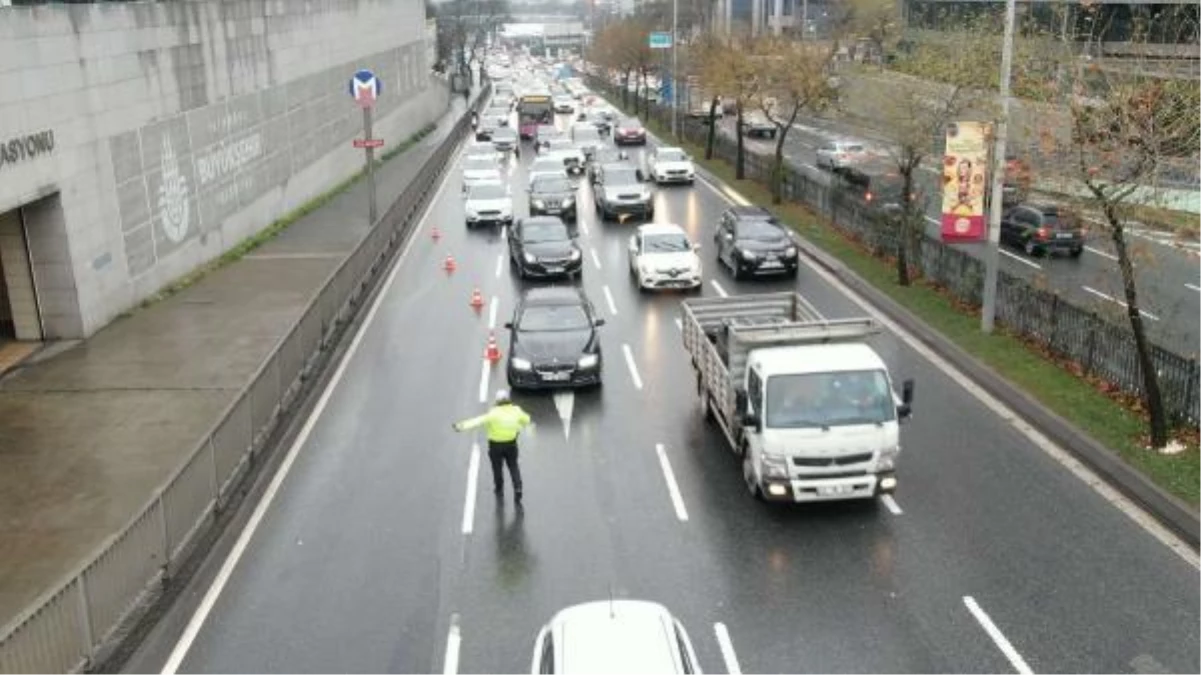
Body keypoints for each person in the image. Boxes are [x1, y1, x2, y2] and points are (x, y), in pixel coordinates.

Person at [452, 389, 531, 503]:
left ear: (497, 401)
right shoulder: (516, 410)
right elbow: (527, 420)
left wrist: (460, 426)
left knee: (497, 468)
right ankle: (518, 488)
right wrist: (519, 425)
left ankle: (499, 488)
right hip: (511, 444)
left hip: (495, 446)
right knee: (513, 467)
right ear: (508, 399)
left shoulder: (493, 413)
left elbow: (477, 421)